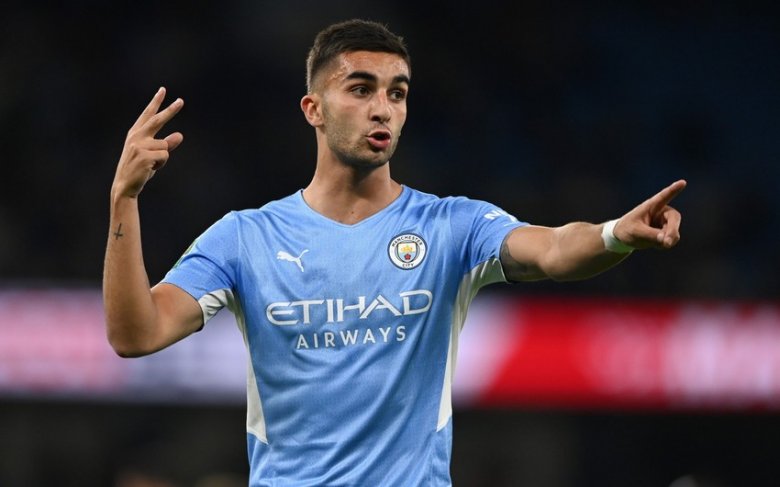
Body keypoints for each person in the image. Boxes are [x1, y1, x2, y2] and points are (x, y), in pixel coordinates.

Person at [103, 19, 685, 486]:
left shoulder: (452, 226)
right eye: (361, 89)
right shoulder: (245, 237)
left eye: (397, 93)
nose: (383, 108)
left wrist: (614, 233)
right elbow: (136, 334)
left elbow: (554, 249)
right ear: (314, 108)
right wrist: (124, 200)